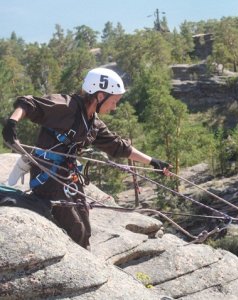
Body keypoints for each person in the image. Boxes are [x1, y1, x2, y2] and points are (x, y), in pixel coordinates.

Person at [2, 67, 171, 249]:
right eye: (114, 101)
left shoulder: (93, 122)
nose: (114, 107)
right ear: (100, 96)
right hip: (48, 177)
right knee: (75, 228)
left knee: (84, 225)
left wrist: (153, 162)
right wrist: (12, 123)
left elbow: (118, 146)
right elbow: (28, 103)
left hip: (68, 176)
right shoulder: (66, 106)